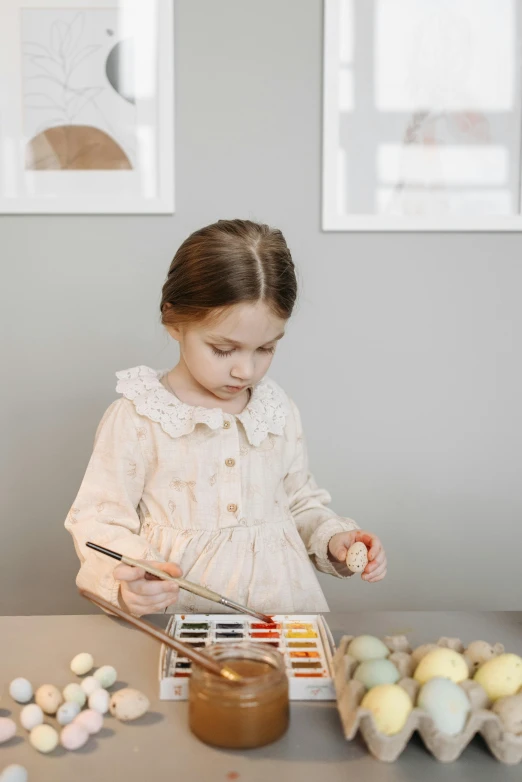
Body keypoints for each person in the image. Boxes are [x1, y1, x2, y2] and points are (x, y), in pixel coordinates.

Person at [65, 219, 387, 617]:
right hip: (185, 617)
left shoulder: (276, 411)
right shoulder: (139, 417)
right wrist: (127, 583)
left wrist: (334, 537)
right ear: (174, 320)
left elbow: (299, 502)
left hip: (281, 612)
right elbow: (99, 521)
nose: (245, 371)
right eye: (223, 349)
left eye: (265, 348)